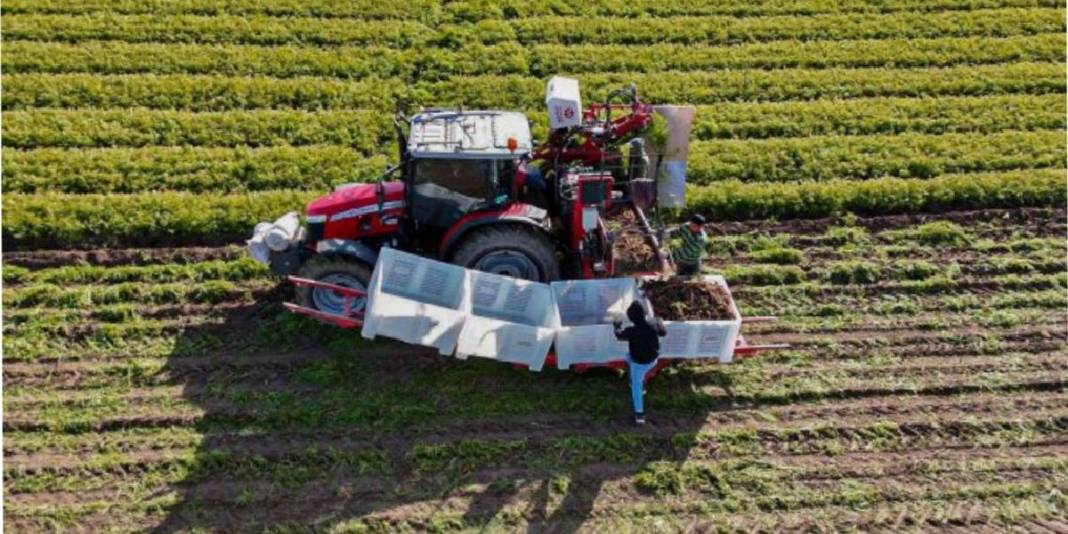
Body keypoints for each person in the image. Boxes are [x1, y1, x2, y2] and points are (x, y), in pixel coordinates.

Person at [613, 300, 667, 425]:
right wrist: (659, 321)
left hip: (639, 363)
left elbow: (619, 335)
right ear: (645, 314)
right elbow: (663, 332)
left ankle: (639, 415)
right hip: (653, 359)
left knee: (636, 387)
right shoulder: (654, 323)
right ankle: (637, 380)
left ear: (631, 318)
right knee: (627, 357)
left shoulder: (632, 331)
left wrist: (617, 325)